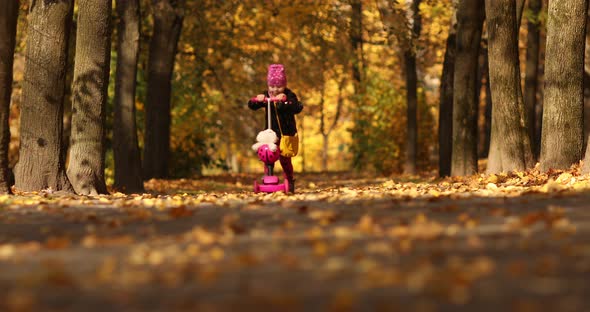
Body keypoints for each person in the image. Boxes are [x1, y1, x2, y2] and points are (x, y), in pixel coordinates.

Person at [248, 64, 303, 192]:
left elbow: (297, 107)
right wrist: (257, 99)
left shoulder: (289, 95)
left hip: (285, 134)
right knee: (267, 156)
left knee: (285, 160)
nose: (275, 89)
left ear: (284, 85)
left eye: (279, 86)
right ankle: (268, 178)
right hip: (270, 134)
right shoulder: (266, 94)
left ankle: (289, 179)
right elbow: (251, 104)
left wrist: (283, 101)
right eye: (272, 86)